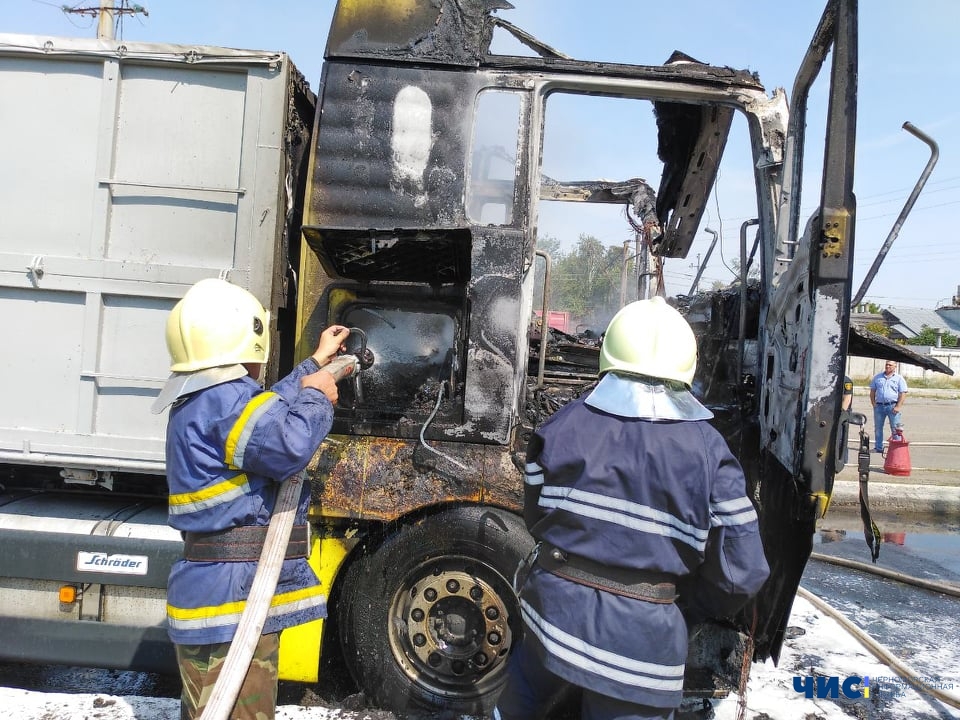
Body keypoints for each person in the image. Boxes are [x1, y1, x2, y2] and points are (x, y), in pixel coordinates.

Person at [493, 297, 770, 720]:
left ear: (608, 355)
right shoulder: (710, 451)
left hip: (551, 621)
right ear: (687, 367)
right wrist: (684, 605)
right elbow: (741, 573)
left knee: (519, 703)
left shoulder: (560, 426)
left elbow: (537, 518)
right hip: (640, 649)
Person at [151, 278, 349, 720]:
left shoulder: (206, 399)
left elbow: (265, 415)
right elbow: (285, 444)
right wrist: (317, 396)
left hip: (219, 594)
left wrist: (314, 365)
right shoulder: (225, 401)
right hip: (233, 601)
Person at [869, 361, 908, 453]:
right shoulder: (877, 377)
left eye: (890, 365)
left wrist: (898, 406)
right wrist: (874, 404)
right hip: (879, 406)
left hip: (892, 406)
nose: (888, 366)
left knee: (895, 428)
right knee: (878, 428)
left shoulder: (899, 379)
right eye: (886, 364)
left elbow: (903, 393)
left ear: (895, 366)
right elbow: (872, 392)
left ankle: (897, 449)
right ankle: (878, 448)